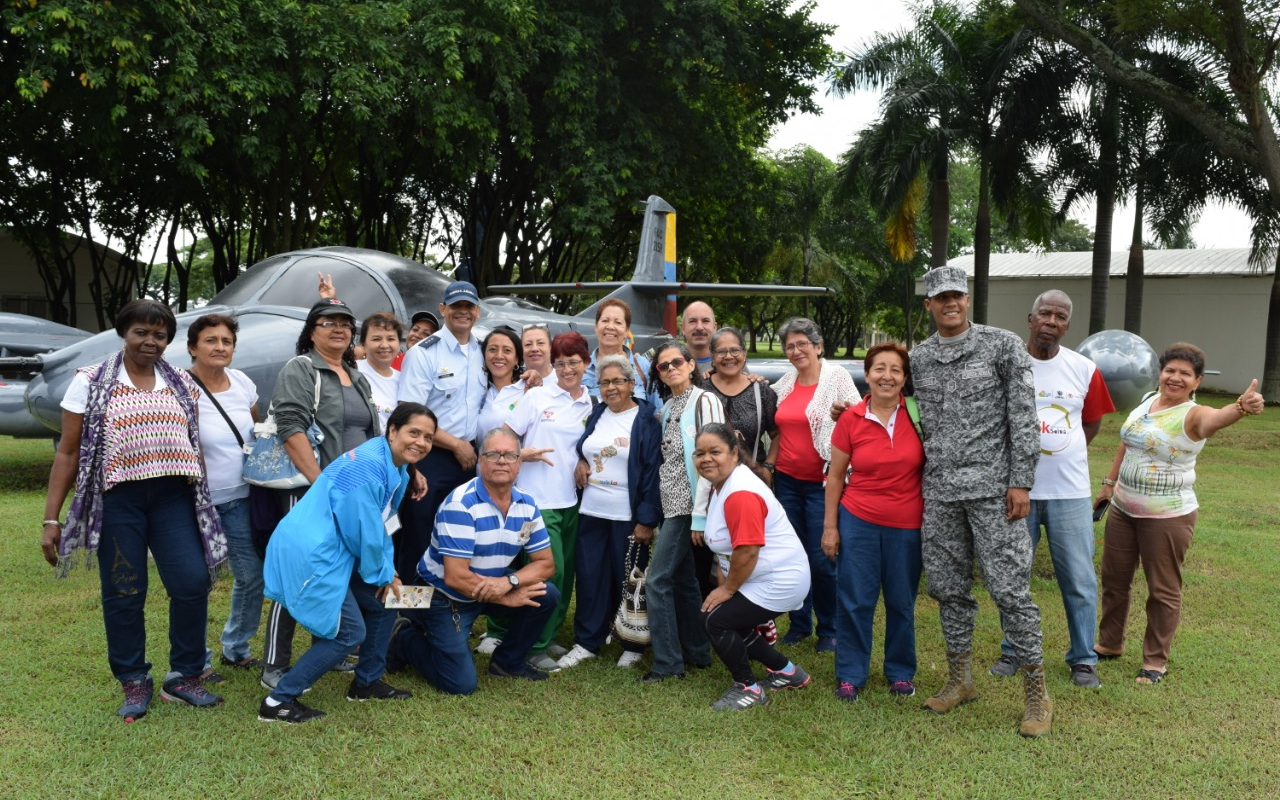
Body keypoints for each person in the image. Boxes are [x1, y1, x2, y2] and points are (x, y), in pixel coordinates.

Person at [41, 299, 227, 721]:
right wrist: (52, 519)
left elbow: (194, 442)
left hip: (172, 498)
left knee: (192, 582)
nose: (150, 341)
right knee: (125, 590)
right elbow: (68, 454)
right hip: (119, 501)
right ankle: (134, 680)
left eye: (159, 335)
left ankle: (184, 676)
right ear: (123, 333)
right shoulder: (89, 381)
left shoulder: (182, 383)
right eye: (141, 332)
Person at [910, 266, 1050, 738]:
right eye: (940, 297)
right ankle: (960, 679)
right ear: (928, 304)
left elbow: (1024, 417)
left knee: (1011, 591)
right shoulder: (920, 358)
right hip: (942, 493)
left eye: (957, 296)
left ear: (967, 300)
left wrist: (1021, 481)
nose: (950, 303)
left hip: (995, 492)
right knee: (948, 589)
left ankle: (1036, 694)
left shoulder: (1002, 344)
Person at [1094, 343, 1264, 685]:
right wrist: (1109, 483)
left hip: (1167, 517)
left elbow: (1217, 418)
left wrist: (1240, 408)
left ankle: (1155, 661)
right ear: (1160, 373)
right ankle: (1110, 643)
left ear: (1197, 382)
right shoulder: (1147, 401)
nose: (1175, 377)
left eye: (1185, 373)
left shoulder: (1193, 415)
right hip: (1124, 509)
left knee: (1163, 589)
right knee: (1114, 581)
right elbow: (1127, 443)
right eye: (1170, 370)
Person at [258, 404, 436, 723]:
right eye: (414, 432)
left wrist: (387, 572)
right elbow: (364, 530)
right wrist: (384, 572)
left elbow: (378, 524)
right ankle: (278, 701)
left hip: (337, 550)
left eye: (428, 437)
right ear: (392, 431)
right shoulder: (368, 467)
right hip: (316, 553)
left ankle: (366, 683)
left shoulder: (395, 465)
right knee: (349, 633)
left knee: (389, 600)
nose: (421, 442)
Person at [989, 291, 1114, 689]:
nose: (1051, 321)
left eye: (1060, 316)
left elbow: (1090, 423)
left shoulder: (1083, 369)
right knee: (1014, 576)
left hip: (1070, 493)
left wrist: (1063, 455)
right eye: (1045, 313)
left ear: (1067, 326)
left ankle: (1083, 659)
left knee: (1079, 579)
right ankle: (1013, 650)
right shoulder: (1008, 364)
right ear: (1030, 317)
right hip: (1015, 492)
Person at [260, 297, 383, 691]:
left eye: (346, 323)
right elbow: (290, 426)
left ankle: (326, 649)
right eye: (328, 322)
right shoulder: (301, 368)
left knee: (337, 572)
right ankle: (275, 664)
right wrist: (321, 483)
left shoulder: (355, 374)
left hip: (352, 492)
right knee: (299, 573)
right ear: (311, 331)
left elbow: (369, 434)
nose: (339, 328)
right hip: (312, 489)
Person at [388, 427, 561, 693]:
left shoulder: (527, 504)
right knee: (460, 684)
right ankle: (404, 637)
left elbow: (546, 564)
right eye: (492, 454)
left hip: (487, 584)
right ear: (480, 461)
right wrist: (502, 595)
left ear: (519, 464)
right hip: (442, 594)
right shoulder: (461, 504)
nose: (501, 461)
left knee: (545, 594)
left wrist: (509, 582)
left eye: (509, 455)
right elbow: (455, 577)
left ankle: (508, 663)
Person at [821, 343, 924, 702]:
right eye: (879, 368)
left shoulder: (918, 415)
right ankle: (850, 673)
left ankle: (899, 671)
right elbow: (835, 477)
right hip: (858, 521)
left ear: (905, 378)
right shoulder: (851, 419)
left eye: (896, 370)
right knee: (855, 600)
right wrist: (830, 527)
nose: (887, 376)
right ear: (866, 375)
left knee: (900, 601)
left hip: (907, 525)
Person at [695, 423, 812, 710]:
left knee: (715, 620)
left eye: (715, 451)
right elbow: (727, 549)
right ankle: (787, 672)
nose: (706, 458)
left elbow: (747, 551)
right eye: (699, 453)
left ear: (734, 453)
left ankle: (748, 688)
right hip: (763, 574)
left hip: (779, 578)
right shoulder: (723, 484)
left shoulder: (740, 492)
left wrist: (728, 590)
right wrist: (727, 589)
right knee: (726, 617)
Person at [500, 331, 595, 671]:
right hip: (537, 501)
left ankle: (550, 633)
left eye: (573, 362)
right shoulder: (537, 398)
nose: (567, 369)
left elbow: (585, 447)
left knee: (566, 574)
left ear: (586, 363)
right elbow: (504, 438)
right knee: (546, 573)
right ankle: (534, 645)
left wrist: (583, 461)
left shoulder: (590, 403)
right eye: (560, 363)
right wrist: (522, 454)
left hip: (571, 501)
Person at [766, 317, 860, 652]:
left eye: (802, 343)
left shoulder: (836, 377)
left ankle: (831, 628)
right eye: (790, 345)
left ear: (818, 346)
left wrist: (843, 412)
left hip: (823, 481)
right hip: (787, 482)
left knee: (824, 556)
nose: (796, 350)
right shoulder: (785, 382)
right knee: (793, 554)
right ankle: (800, 623)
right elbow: (767, 407)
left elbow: (859, 413)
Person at [562, 355, 662, 669]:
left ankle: (632, 643)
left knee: (629, 580)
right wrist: (580, 459)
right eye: (605, 382)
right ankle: (587, 641)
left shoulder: (646, 419)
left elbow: (651, 472)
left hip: (627, 516)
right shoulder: (598, 413)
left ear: (633, 384)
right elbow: (587, 446)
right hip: (591, 511)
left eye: (618, 380)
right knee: (590, 577)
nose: (611, 387)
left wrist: (647, 520)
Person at [186, 313, 264, 673]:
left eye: (226, 341)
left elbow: (255, 428)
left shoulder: (242, 382)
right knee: (197, 581)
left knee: (251, 575)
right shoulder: (179, 388)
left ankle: (235, 646)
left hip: (241, 497)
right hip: (194, 502)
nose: (220, 347)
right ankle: (195, 660)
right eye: (211, 341)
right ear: (192, 347)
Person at [643, 342, 724, 682]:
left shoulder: (704, 400)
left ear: (691, 365)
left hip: (688, 507)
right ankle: (698, 652)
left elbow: (714, 459)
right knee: (683, 581)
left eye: (677, 361)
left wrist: (702, 515)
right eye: (663, 366)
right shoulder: (669, 405)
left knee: (656, 580)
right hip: (670, 505)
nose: (671, 368)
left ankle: (667, 664)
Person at [397, 280, 486, 583]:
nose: (463, 312)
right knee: (420, 533)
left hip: (469, 458)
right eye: (456, 306)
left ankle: (450, 608)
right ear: (443, 309)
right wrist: (457, 445)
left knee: (460, 536)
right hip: (430, 457)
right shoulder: (424, 353)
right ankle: (409, 612)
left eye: (469, 306)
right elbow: (410, 414)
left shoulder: (481, 350)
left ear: (477, 311)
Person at [706, 327, 777, 464]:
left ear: (744, 354)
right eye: (721, 351)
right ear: (712, 357)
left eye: (735, 350)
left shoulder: (761, 391)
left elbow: (777, 434)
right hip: (712, 479)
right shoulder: (701, 391)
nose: (728, 356)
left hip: (753, 478)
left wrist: (768, 468)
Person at [582, 298, 659, 408]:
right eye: (605, 320)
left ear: (627, 331)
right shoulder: (583, 368)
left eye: (618, 322)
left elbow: (656, 413)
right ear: (596, 326)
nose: (610, 326)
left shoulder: (643, 366)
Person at [476, 326, 530, 438]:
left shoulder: (528, 390)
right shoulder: (477, 390)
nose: (499, 356)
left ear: (517, 359)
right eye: (492, 349)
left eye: (507, 350)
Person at [356, 312, 404, 431]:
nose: (384, 345)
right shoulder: (351, 371)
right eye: (376, 339)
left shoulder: (404, 380)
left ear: (399, 344)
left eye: (391, 339)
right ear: (363, 345)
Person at [681, 300, 718, 375]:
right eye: (692, 321)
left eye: (705, 321)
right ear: (683, 328)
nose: (699, 327)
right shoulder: (670, 363)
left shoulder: (730, 363)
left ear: (714, 327)